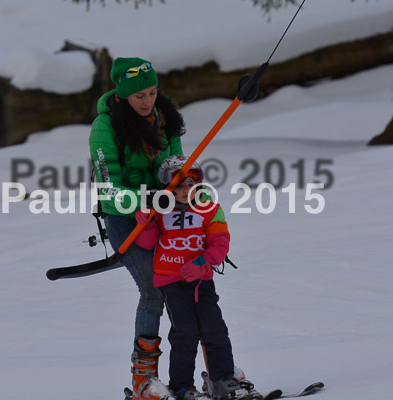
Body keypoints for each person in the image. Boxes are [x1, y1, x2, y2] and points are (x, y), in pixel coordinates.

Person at [89, 57, 186, 400]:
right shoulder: (105, 127)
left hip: (164, 212)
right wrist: (145, 200)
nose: (148, 101)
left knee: (190, 286)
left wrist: (181, 186)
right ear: (123, 95)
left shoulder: (165, 118)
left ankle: (205, 372)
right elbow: (108, 190)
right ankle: (144, 380)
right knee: (154, 288)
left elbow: (177, 169)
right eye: (139, 96)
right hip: (123, 216)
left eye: (153, 92)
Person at [134, 156, 257, 400]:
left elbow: (220, 243)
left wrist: (203, 263)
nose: (185, 191)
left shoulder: (210, 208)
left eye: (190, 185)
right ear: (167, 188)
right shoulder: (160, 210)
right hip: (171, 281)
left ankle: (223, 380)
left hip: (202, 281)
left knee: (215, 329)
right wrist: (145, 224)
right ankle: (181, 386)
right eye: (179, 186)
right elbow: (147, 244)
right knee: (185, 332)